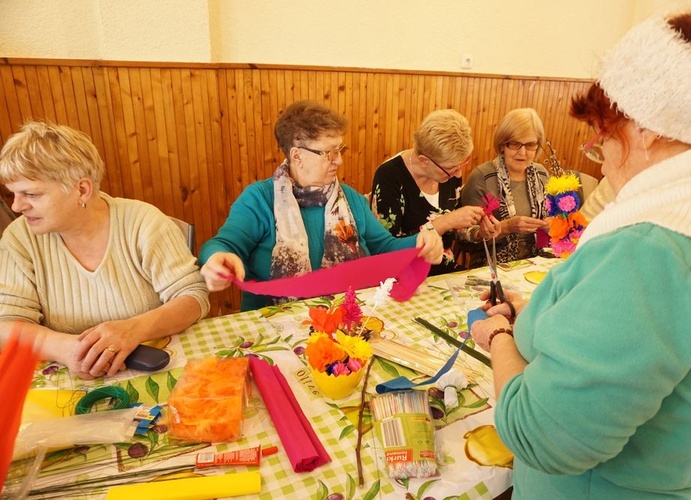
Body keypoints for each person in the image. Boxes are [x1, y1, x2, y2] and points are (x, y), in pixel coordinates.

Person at [471, 12, 691, 498]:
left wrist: (498, 336)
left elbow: (540, 434)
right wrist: (541, 315)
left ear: (648, 128)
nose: (598, 147)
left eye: (604, 132)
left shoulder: (654, 249)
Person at [0, 122, 210, 380]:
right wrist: (67, 350)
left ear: (82, 189)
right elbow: (7, 324)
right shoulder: (19, 238)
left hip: (155, 368)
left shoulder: (143, 222)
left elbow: (192, 298)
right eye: (13, 194)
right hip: (69, 377)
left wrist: (132, 329)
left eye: (30, 194)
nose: (18, 206)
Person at [199, 100, 443, 311]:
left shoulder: (351, 200)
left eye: (340, 149)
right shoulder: (260, 199)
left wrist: (421, 243)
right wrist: (218, 258)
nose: (339, 159)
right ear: (297, 156)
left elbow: (385, 247)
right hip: (275, 323)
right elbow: (223, 244)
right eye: (329, 152)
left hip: (346, 320)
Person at [370, 109, 486, 275]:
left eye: (461, 164)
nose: (458, 173)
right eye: (451, 169)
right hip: (403, 276)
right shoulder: (390, 176)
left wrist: (479, 232)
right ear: (424, 160)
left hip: (443, 272)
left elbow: (455, 230)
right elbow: (386, 248)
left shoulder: (449, 172)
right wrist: (446, 222)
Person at [460, 108, 549, 265]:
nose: (522, 152)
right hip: (491, 268)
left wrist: (553, 225)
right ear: (502, 145)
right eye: (514, 144)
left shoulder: (541, 174)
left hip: (535, 263)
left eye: (530, 145)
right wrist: (505, 227)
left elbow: (556, 220)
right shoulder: (482, 177)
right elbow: (464, 238)